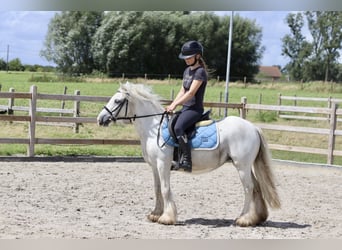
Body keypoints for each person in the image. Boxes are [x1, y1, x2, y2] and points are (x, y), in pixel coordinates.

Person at [165, 40, 208, 172]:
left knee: (178, 127)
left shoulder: (200, 72)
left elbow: (191, 93)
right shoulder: (187, 71)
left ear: (198, 56)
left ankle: (187, 161)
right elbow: (182, 91)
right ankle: (176, 157)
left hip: (195, 109)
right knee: (171, 124)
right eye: (185, 58)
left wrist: (175, 105)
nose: (186, 60)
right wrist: (172, 104)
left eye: (189, 57)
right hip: (185, 108)